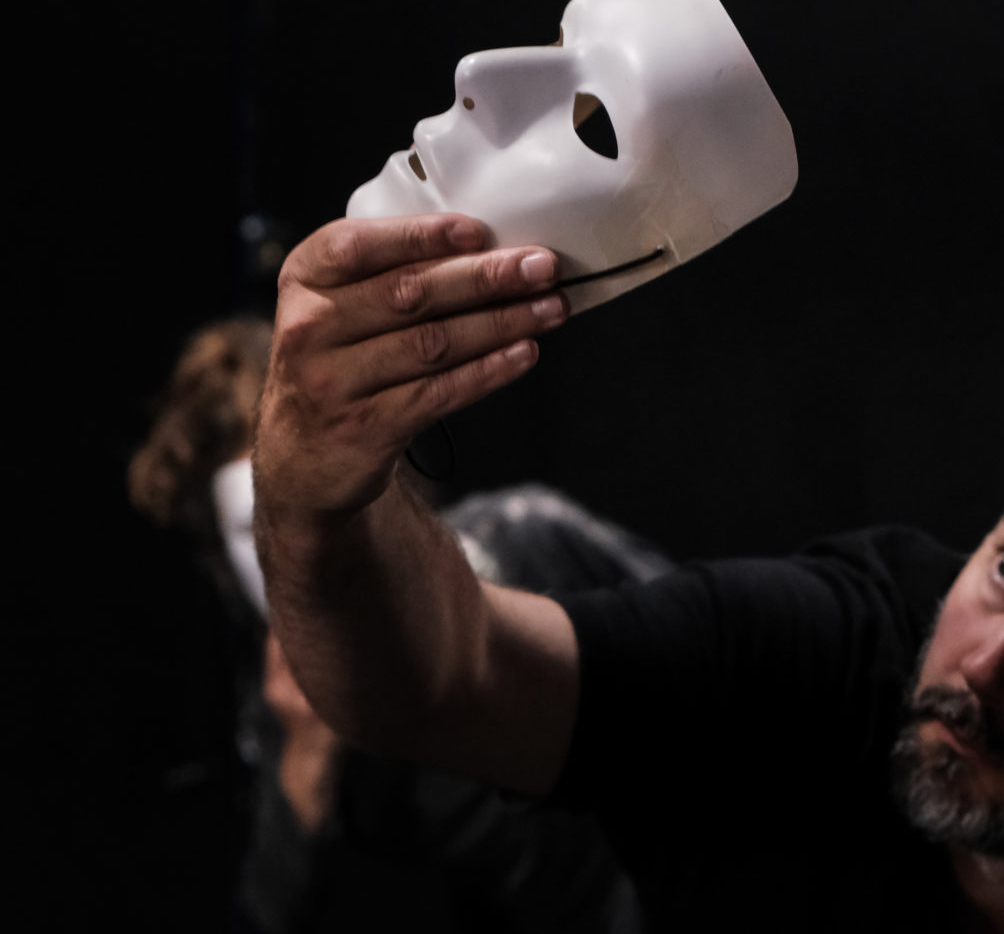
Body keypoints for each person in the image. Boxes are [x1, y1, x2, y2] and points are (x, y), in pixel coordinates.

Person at [253, 214, 1004, 932]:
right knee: (494, 572)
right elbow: (443, 681)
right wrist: (317, 493)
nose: (989, 666)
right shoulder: (846, 653)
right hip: (612, 837)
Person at [131, 317, 650, 933]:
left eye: (316, 503)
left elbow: (723, 666)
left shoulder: (525, 537)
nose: (297, 547)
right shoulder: (273, 709)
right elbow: (270, 913)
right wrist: (305, 766)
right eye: (256, 525)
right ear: (222, 558)